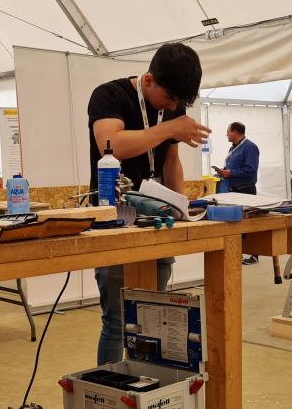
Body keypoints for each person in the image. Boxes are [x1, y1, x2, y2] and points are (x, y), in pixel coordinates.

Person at [87, 43, 209, 365]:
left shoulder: (173, 107)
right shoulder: (109, 96)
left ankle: (148, 390)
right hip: (115, 220)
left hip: (156, 219)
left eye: (178, 102)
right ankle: (110, 391)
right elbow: (110, 145)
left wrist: (181, 207)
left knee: (152, 320)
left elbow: (171, 161)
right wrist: (169, 127)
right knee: (116, 322)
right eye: (169, 98)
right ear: (149, 80)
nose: (172, 105)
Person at [217, 122, 260, 264]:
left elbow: (251, 169)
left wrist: (232, 173)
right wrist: (224, 171)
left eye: (228, 131)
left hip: (245, 189)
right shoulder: (233, 148)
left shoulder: (250, 147)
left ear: (235, 132)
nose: (227, 134)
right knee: (236, 222)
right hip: (233, 189)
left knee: (249, 221)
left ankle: (254, 254)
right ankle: (238, 252)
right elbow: (234, 166)